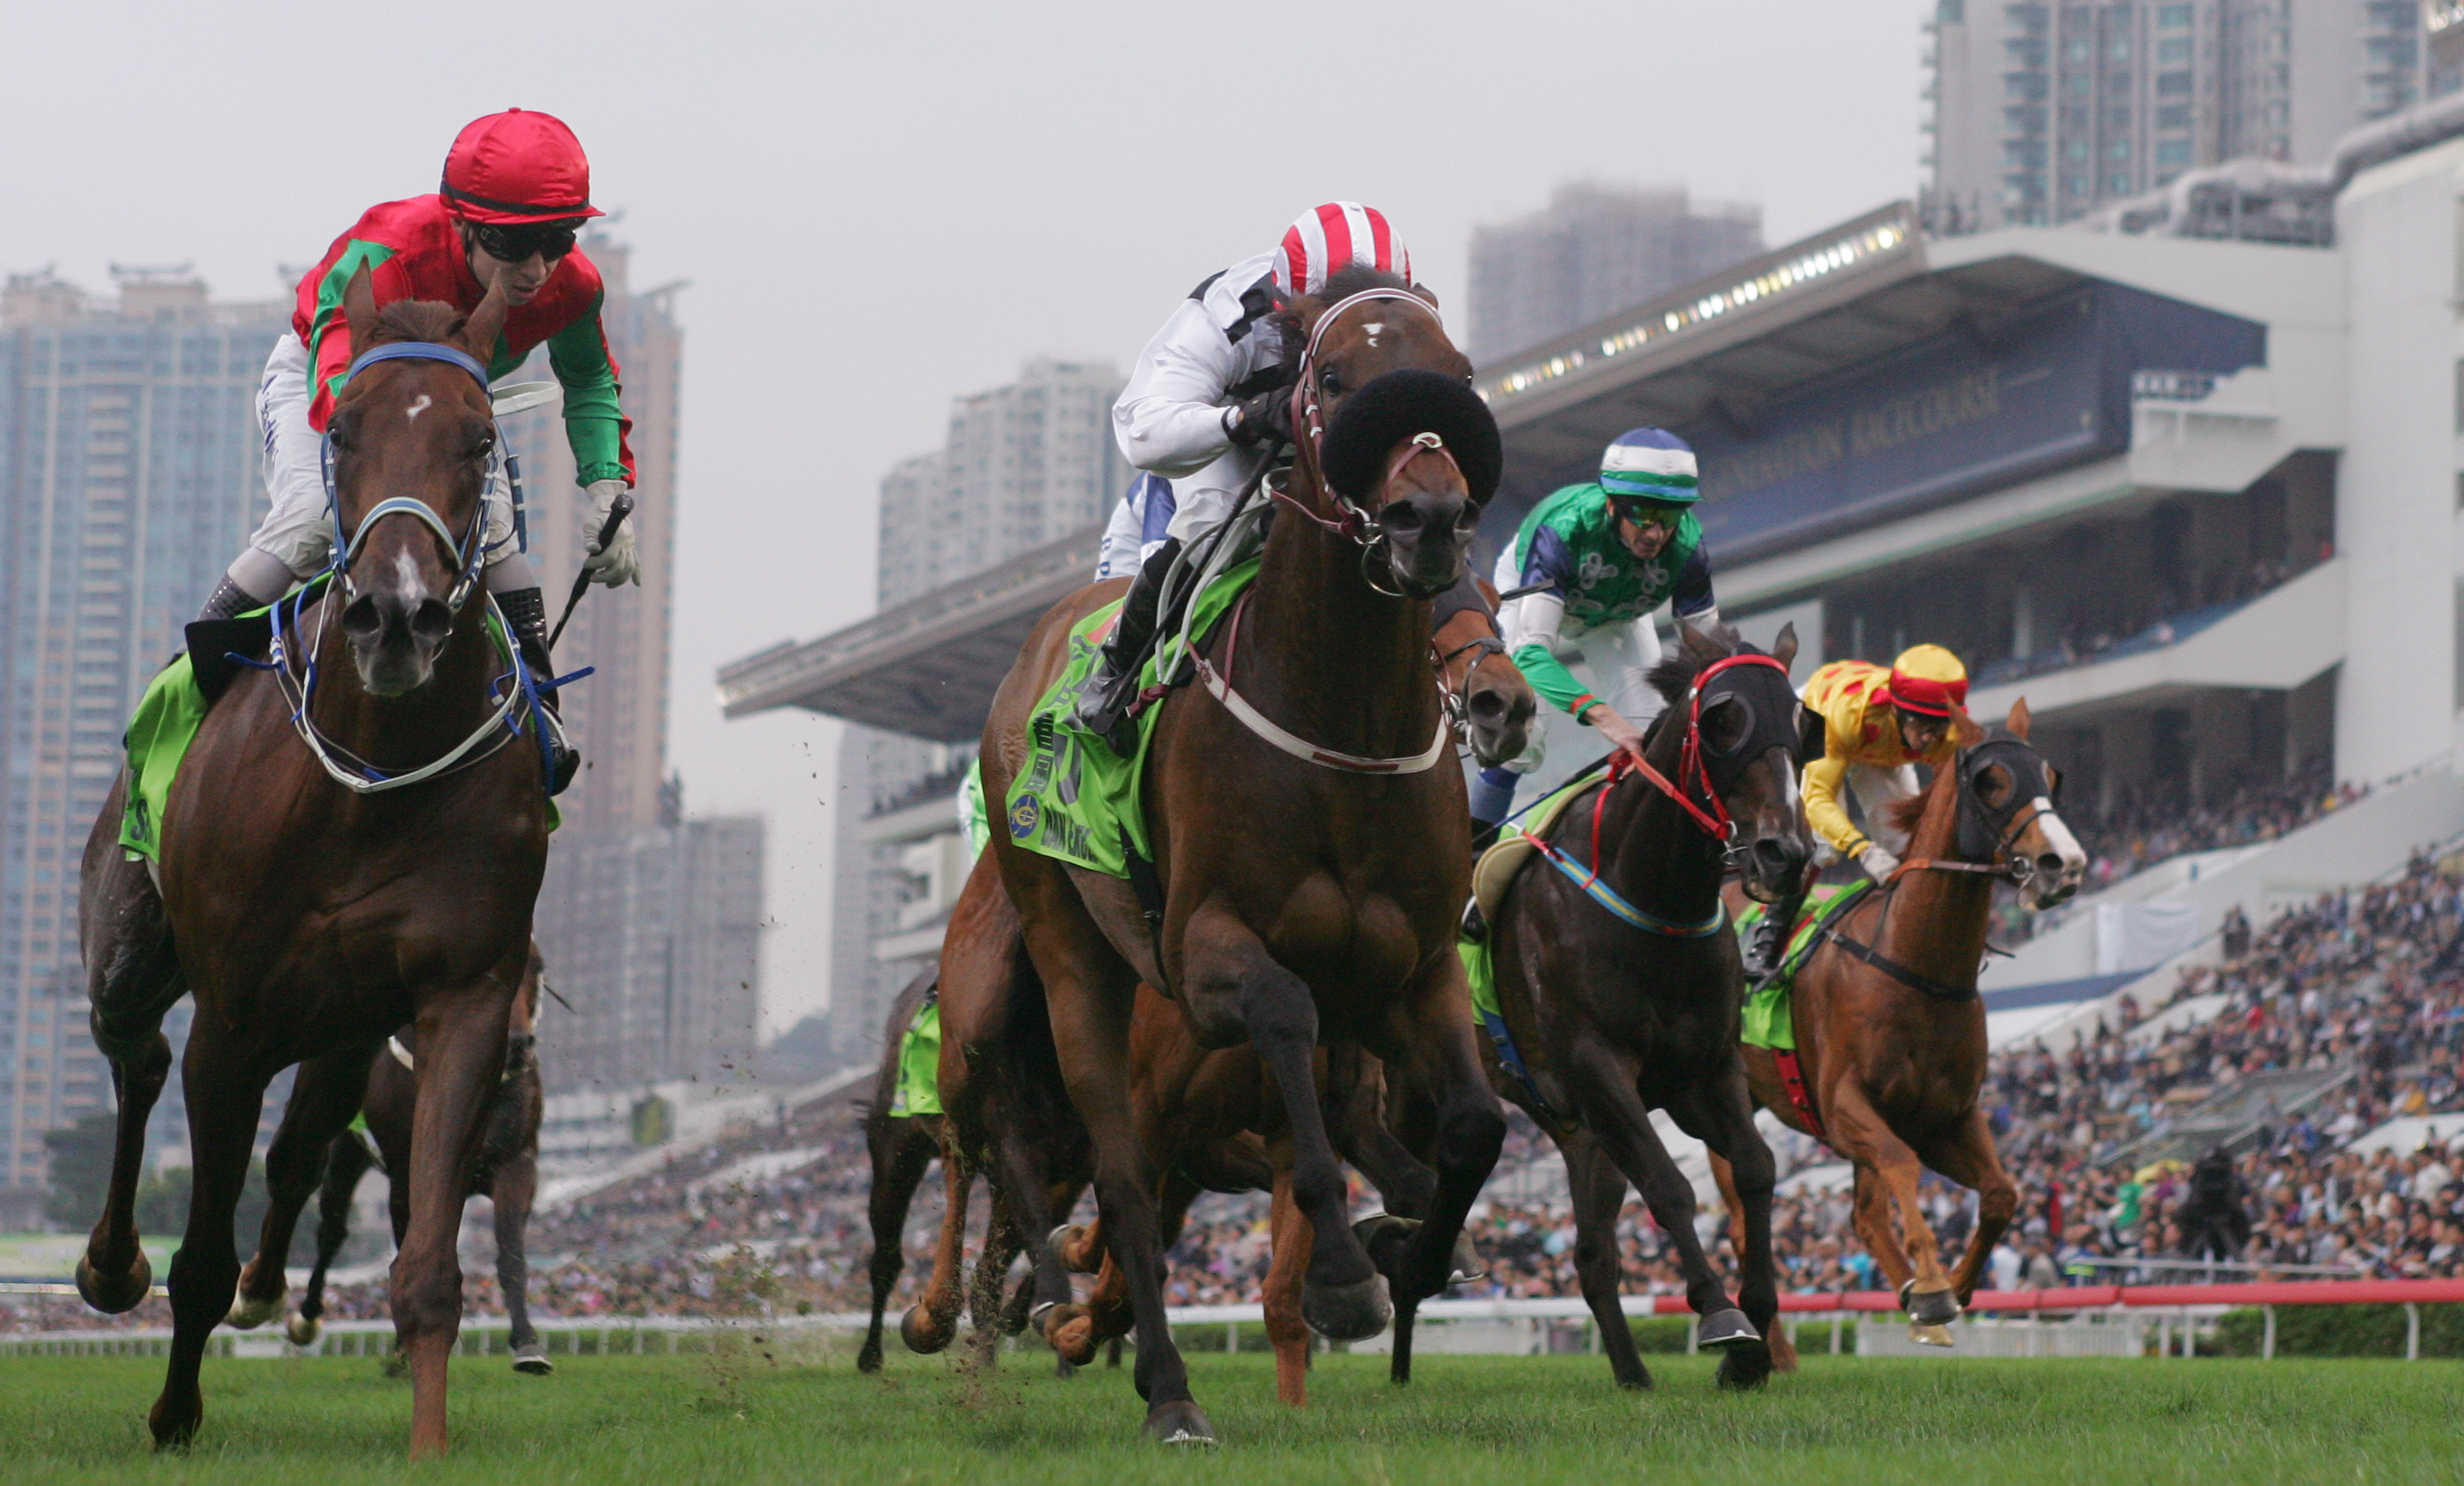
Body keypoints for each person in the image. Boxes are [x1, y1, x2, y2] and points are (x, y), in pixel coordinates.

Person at [199, 108, 641, 789]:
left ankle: (542, 714)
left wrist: (608, 486)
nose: (537, 268)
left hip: (445, 409)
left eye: (559, 239)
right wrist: (398, 452)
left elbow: (585, 377)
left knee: (493, 540)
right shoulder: (388, 251)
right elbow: (344, 392)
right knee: (316, 515)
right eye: (513, 243)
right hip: (336, 386)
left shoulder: (573, 286)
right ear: (460, 222)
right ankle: (180, 700)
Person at [1074, 202, 1413, 748]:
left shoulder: (1406, 320)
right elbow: (1141, 429)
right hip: (1242, 446)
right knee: (1213, 516)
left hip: (1348, 442)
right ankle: (1118, 670)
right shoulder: (1226, 314)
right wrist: (1243, 417)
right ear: (1287, 305)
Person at [1468, 429, 1721, 841]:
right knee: (1524, 725)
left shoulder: (1690, 546)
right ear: (1612, 504)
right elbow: (1531, 655)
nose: (1656, 533)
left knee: (1652, 736)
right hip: (1532, 591)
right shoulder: (1566, 530)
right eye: (1642, 514)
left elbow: (1712, 658)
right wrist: (1603, 716)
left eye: (1670, 516)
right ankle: (1476, 841)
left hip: (1613, 618)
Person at [1741, 643, 1969, 979]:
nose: (1929, 738)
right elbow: (1817, 799)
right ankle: (1767, 941)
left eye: (1939, 725)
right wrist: (1861, 850)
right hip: (1821, 718)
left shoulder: (1951, 735)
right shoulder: (1846, 715)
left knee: (1906, 846)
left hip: (1880, 748)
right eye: (1921, 723)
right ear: (1897, 709)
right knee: (1823, 845)